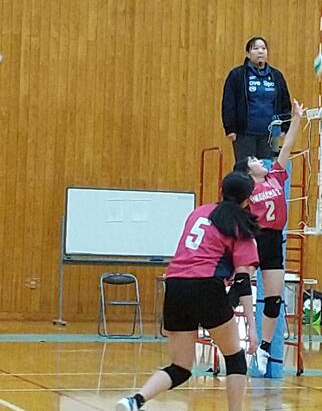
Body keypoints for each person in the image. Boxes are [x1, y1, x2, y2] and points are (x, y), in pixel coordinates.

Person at [116, 172, 260, 411]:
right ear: (247, 199)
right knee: (235, 358)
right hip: (206, 286)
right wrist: (252, 328)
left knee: (180, 368)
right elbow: (243, 279)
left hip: (175, 285)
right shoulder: (240, 224)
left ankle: (135, 401)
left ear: (221, 190)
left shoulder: (198, 213)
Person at [232, 99, 304, 375]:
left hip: (274, 242)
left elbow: (287, 146)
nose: (260, 162)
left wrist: (296, 119)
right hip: (255, 239)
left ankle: (263, 347)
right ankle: (224, 325)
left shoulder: (275, 176)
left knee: (274, 299)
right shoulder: (247, 191)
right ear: (248, 172)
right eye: (253, 161)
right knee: (240, 285)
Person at [222, 36, 292, 163]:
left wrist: (284, 127)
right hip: (245, 134)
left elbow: (285, 102)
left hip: (270, 136)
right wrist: (230, 128)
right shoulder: (237, 75)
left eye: (263, 48)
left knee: (267, 169)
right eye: (256, 48)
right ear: (248, 54)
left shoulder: (276, 76)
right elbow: (229, 102)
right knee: (247, 169)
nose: (260, 51)